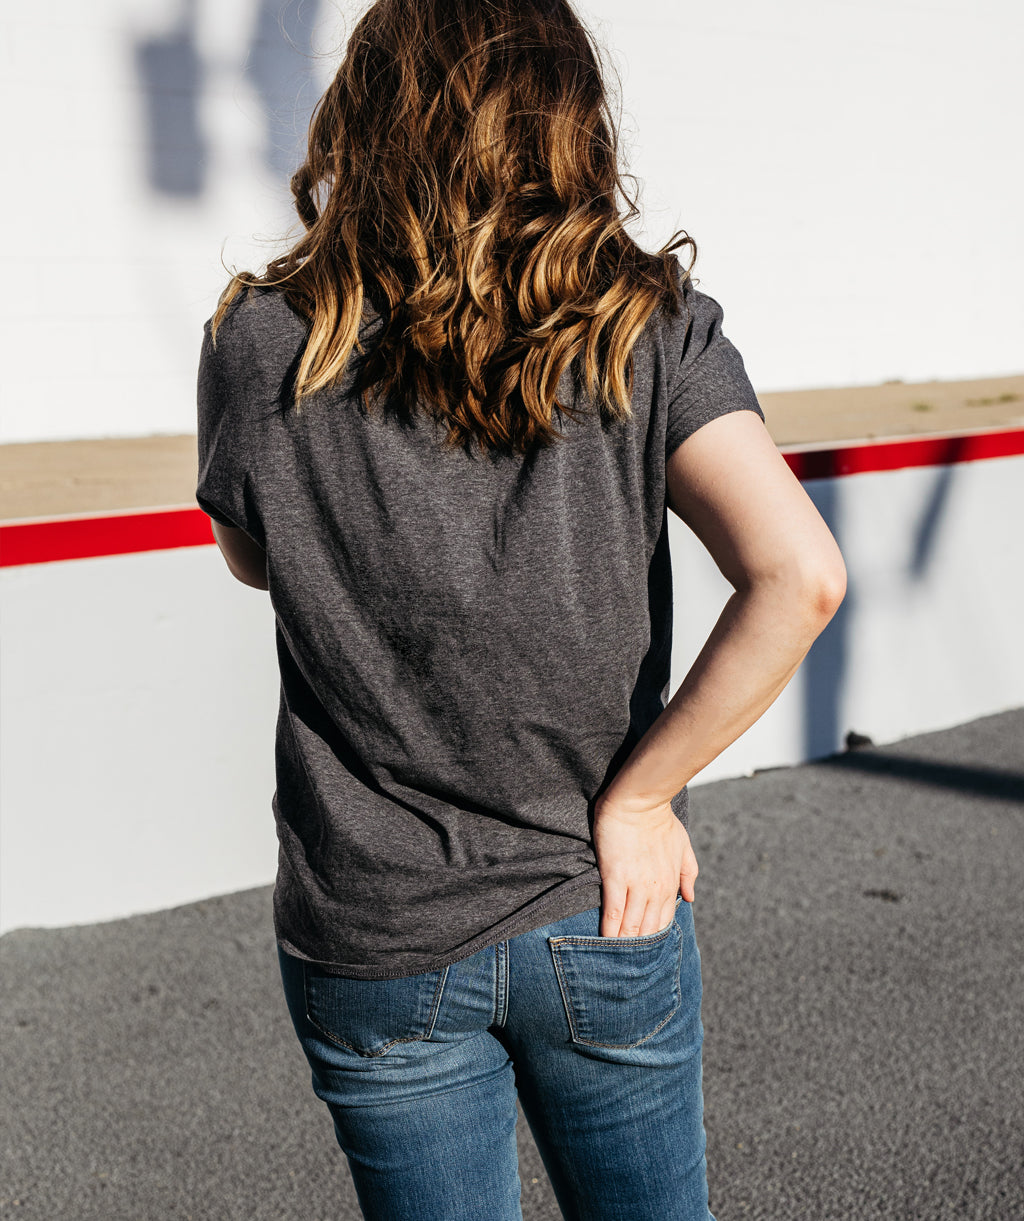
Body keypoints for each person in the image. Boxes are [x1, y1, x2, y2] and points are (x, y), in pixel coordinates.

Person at [195, 1, 846, 1217]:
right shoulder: (645, 325)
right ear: (569, 123)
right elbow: (800, 575)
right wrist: (641, 799)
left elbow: (255, 561)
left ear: (364, 116)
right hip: (603, 899)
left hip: (373, 927)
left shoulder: (258, 336)